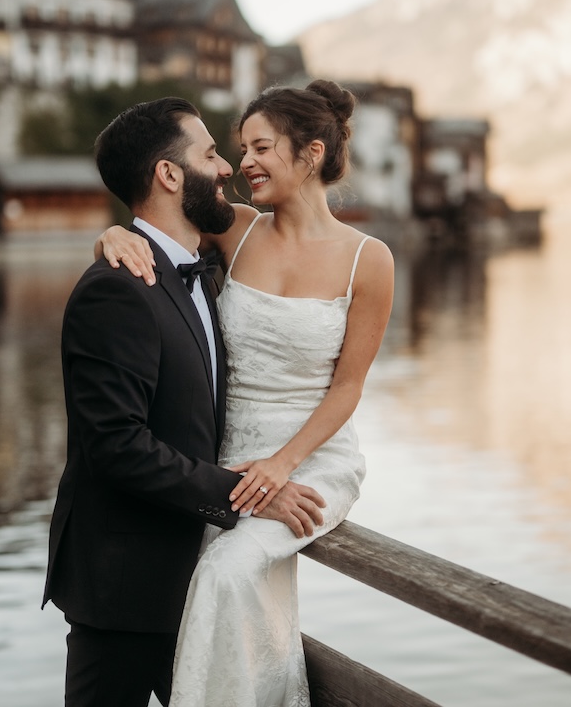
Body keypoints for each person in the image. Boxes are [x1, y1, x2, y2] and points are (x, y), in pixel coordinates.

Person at [96, 79, 396, 706]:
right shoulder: (237, 230)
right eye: (239, 149)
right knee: (212, 600)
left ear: (311, 153)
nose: (243, 163)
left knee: (226, 574)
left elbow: (348, 388)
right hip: (225, 461)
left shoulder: (369, 259)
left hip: (309, 460)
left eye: (261, 147)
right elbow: (159, 226)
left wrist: (282, 465)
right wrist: (112, 237)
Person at [43, 97, 329, 707]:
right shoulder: (116, 290)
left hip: (193, 577)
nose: (226, 167)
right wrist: (246, 493)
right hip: (124, 584)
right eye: (209, 154)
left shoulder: (201, 267)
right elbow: (117, 446)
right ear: (169, 175)